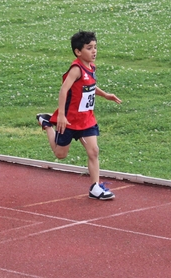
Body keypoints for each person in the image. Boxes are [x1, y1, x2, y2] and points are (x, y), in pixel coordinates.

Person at [36, 30, 121, 200]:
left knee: (94, 151)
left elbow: (88, 87)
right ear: (78, 51)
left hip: (86, 119)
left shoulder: (91, 67)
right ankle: (46, 123)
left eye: (95, 47)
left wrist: (105, 95)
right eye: (89, 48)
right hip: (69, 120)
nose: (94, 51)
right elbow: (64, 89)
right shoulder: (76, 69)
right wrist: (60, 115)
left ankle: (95, 187)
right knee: (60, 155)